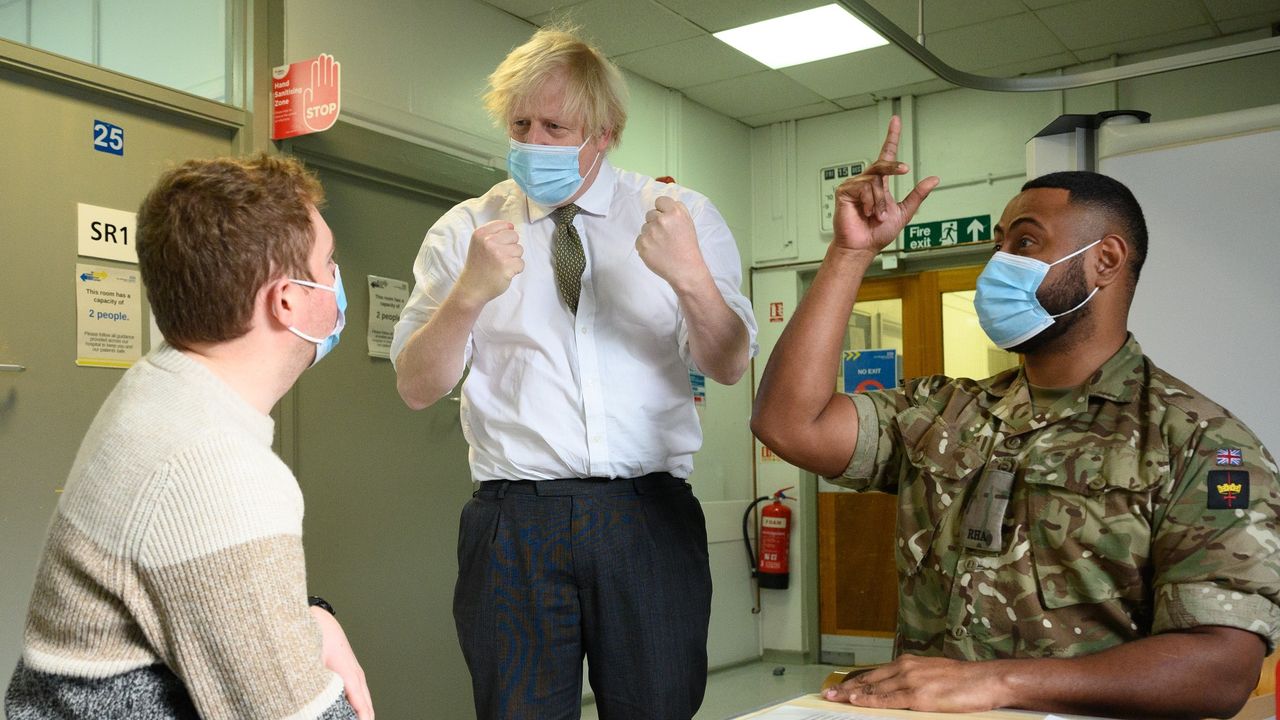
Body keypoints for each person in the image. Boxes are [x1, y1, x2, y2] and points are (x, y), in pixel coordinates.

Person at [751, 117, 1278, 719]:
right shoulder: (946, 411)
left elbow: (1222, 667)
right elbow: (789, 424)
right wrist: (850, 255)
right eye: (997, 242)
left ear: (1105, 260)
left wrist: (1000, 683)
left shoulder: (1202, 443)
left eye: (1024, 242)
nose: (997, 263)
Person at [390, 25, 757, 720]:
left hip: (646, 515)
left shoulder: (680, 216)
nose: (533, 142)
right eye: (519, 124)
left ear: (606, 131)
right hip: (514, 520)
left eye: (555, 126)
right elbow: (415, 385)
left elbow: (729, 362)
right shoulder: (463, 231)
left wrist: (691, 280)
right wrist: (467, 295)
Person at [4, 155, 374, 720]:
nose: (336, 282)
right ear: (287, 300)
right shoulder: (215, 467)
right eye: (330, 265)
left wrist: (311, 618)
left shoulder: (160, 388)